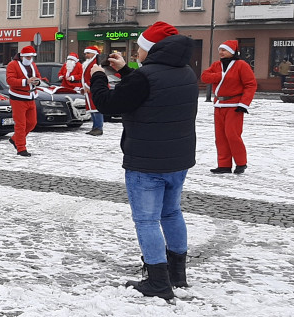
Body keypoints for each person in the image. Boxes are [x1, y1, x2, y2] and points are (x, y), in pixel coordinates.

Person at [89, 21, 197, 300]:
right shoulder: (185, 72)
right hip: (178, 159)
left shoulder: (144, 77)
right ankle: (177, 274)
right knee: (171, 213)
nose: (136, 52)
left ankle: (158, 281)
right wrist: (125, 70)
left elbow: (110, 105)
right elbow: (150, 90)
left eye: (139, 48)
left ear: (151, 49)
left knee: (147, 220)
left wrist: (98, 77)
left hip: (147, 162)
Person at [200, 40, 257, 175]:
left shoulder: (241, 65)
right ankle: (224, 165)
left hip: (234, 106)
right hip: (219, 105)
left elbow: (250, 84)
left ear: (232, 52)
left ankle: (241, 163)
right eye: (220, 50)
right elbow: (204, 77)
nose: (221, 52)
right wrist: (219, 76)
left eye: (224, 50)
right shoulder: (216, 65)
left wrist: (244, 104)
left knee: (232, 135)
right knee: (220, 137)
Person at [6, 45, 46, 157]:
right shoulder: (12, 65)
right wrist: (26, 81)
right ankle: (21, 148)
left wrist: (37, 81)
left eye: (31, 57)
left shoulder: (32, 65)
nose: (29, 59)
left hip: (31, 96)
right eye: (27, 57)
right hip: (18, 97)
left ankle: (15, 139)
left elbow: (38, 76)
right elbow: (10, 80)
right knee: (20, 125)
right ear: (22, 56)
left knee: (32, 123)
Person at [81, 46, 105, 136]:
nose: (86, 55)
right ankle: (95, 127)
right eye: (86, 53)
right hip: (90, 89)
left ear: (93, 53)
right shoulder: (89, 63)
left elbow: (95, 76)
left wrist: (88, 85)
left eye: (88, 53)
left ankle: (98, 128)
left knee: (96, 108)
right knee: (92, 109)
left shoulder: (95, 63)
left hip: (94, 88)